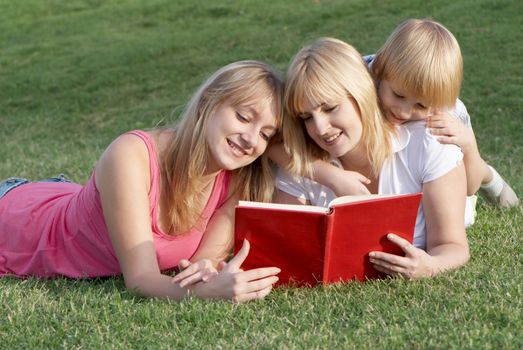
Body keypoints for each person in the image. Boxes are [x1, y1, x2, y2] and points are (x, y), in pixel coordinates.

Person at [0, 60, 283, 302]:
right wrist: (204, 294)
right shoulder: (130, 155)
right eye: (244, 117)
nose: (250, 139)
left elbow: (200, 266)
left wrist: (209, 274)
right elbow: (140, 279)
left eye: (265, 135)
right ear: (208, 101)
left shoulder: (238, 181)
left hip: (63, 196)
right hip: (16, 222)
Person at [276, 37, 470, 279]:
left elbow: (452, 246)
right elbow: (286, 249)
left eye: (330, 108)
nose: (320, 128)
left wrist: (429, 266)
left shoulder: (429, 142)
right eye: (306, 117)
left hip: (455, 153)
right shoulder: (302, 163)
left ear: (361, 96)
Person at [307, 19, 518, 208]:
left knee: (474, 169)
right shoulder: (357, 80)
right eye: (398, 95)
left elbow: (467, 190)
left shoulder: (448, 113)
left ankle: (491, 178)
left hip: (458, 160)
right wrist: (328, 174)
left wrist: (470, 147)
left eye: (421, 106)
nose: (404, 112)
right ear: (379, 68)